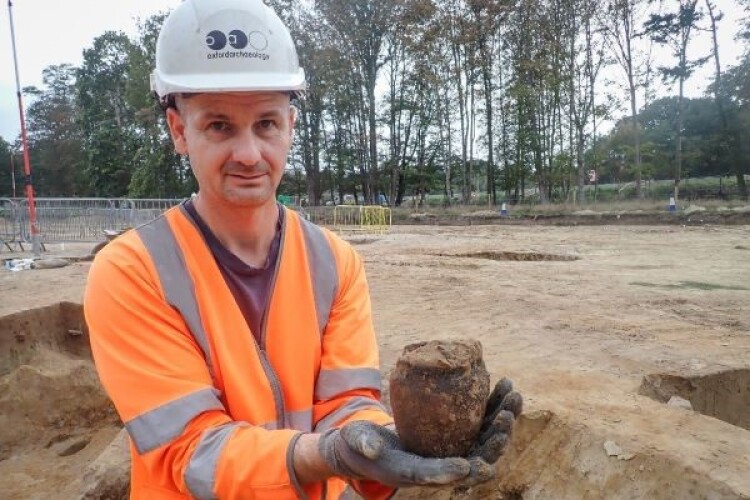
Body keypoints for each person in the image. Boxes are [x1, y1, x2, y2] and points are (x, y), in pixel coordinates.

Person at [84, 1, 522, 498]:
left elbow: (348, 406)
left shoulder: (333, 262)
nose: (249, 154)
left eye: (266, 124)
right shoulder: (132, 272)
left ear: (290, 124)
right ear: (179, 130)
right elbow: (191, 452)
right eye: (219, 126)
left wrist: (395, 448)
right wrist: (327, 454)